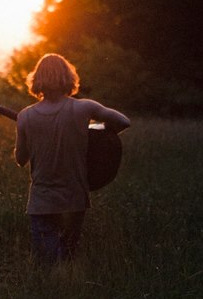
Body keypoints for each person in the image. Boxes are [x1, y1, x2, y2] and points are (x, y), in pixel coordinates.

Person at [14, 53, 130, 265]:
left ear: (37, 79)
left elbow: (21, 159)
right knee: (68, 258)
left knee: (48, 265)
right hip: (74, 198)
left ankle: (55, 294)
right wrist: (92, 132)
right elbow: (123, 121)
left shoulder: (25, 116)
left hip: (42, 201)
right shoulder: (85, 107)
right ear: (68, 77)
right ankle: (69, 292)